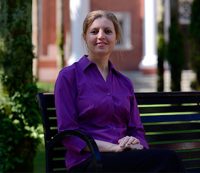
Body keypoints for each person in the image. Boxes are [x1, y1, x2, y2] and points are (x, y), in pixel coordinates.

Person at [55, 10, 185, 172]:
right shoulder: (69, 77)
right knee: (168, 160)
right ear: (85, 37)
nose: (101, 36)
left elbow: (136, 129)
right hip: (88, 161)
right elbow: (69, 133)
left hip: (124, 157)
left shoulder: (124, 83)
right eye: (94, 31)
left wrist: (134, 141)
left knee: (166, 160)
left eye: (108, 31)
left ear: (116, 38)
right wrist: (112, 147)